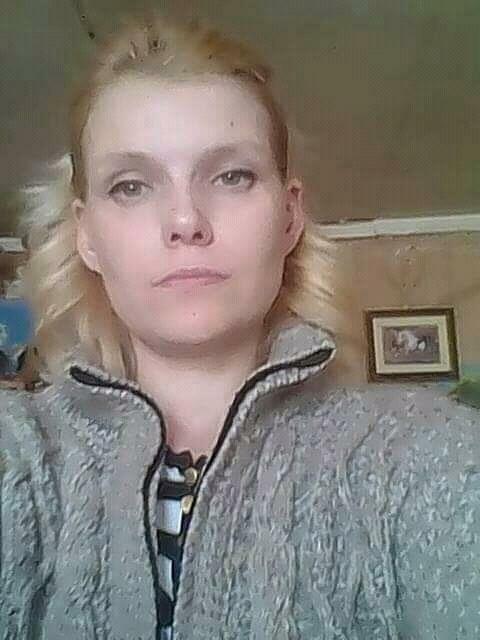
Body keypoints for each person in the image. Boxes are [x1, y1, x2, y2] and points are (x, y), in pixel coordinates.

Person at [1, 13, 479, 640]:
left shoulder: (423, 456)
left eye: (232, 176)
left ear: (289, 217)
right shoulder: (21, 454)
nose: (185, 221)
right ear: (86, 235)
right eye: (132, 185)